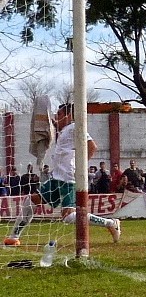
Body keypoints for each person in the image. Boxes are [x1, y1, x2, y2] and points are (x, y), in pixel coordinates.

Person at [4, 104, 121, 246]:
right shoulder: (65, 130)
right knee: (31, 201)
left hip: (68, 178)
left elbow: (92, 146)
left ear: (69, 116)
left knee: (69, 217)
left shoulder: (74, 128)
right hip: (57, 178)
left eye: (59, 115)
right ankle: (14, 237)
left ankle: (110, 223)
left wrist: (80, 167)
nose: (56, 117)